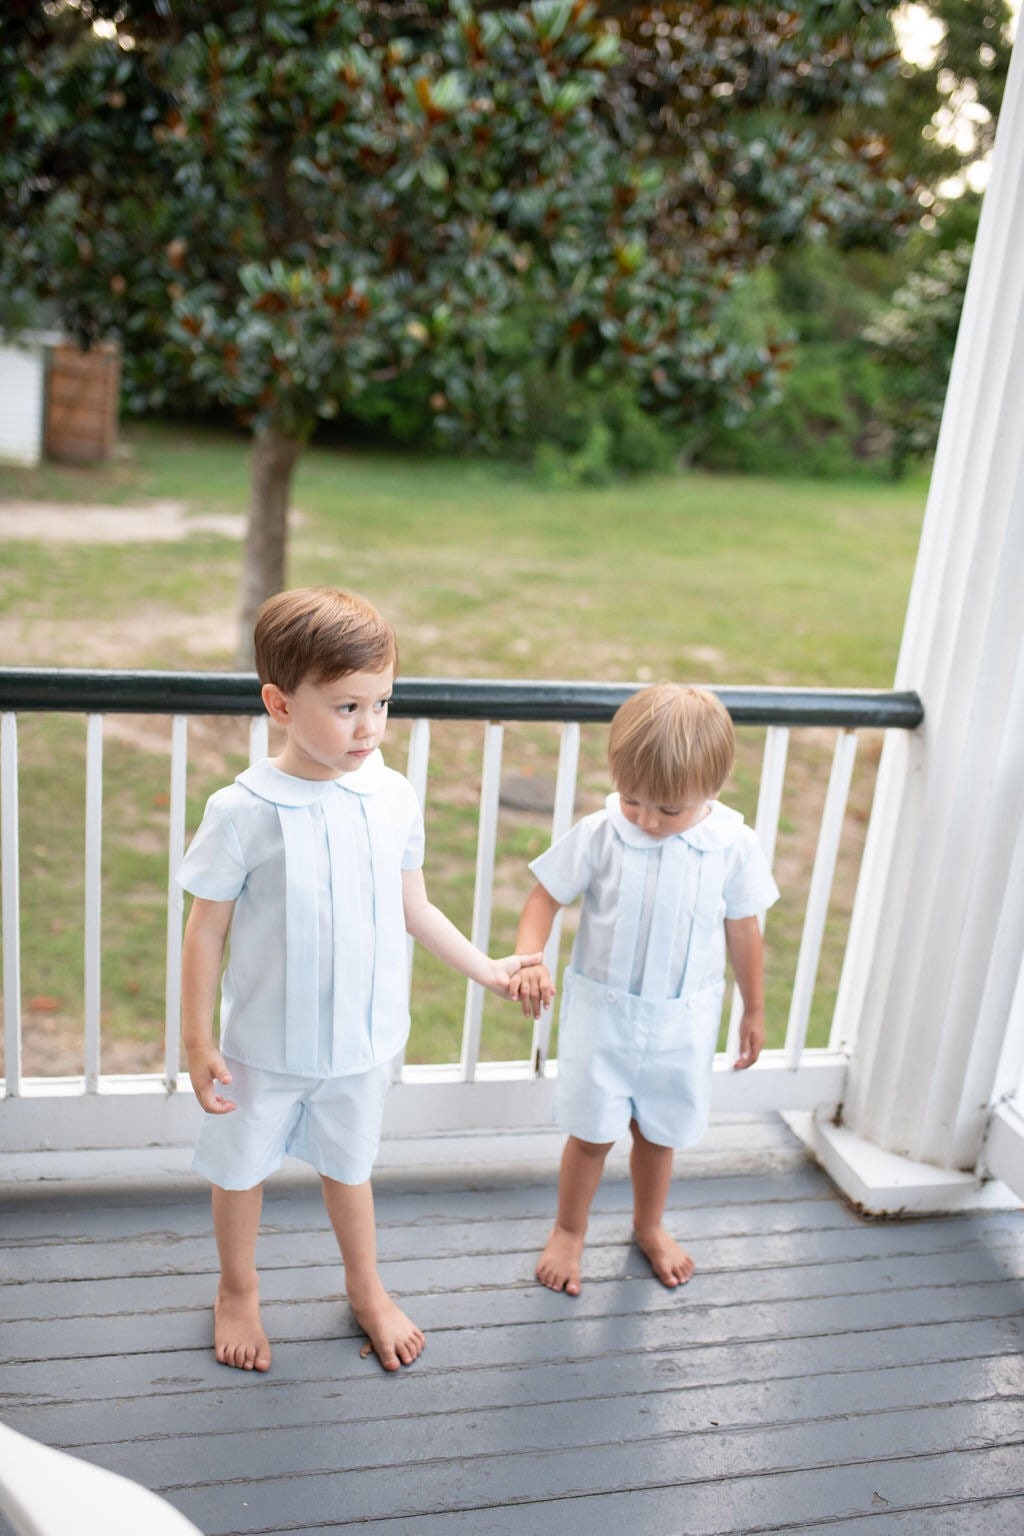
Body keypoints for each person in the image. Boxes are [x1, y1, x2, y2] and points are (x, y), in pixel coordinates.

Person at [178, 586, 541, 1374]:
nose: (370, 727)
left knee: (351, 1168)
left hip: (360, 1043)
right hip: (261, 1047)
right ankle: (237, 1288)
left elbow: (414, 906)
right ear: (281, 704)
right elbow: (205, 927)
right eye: (346, 707)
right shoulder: (243, 811)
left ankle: (365, 1286)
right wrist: (198, 1039)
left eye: (382, 703)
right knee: (240, 1171)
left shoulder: (391, 795)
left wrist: (487, 969)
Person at [513, 682, 779, 1295]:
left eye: (669, 809)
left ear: (714, 788)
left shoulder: (733, 847)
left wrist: (754, 1009)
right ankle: (569, 1230)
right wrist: (529, 958)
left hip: (682, 1023)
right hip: (603, 1019)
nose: (648, 820)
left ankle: (649, 1225)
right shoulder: (601, 833)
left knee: (659, 1136)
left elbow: (744, 928)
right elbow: (545, 897)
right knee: (590, 1134)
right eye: (632, 800)